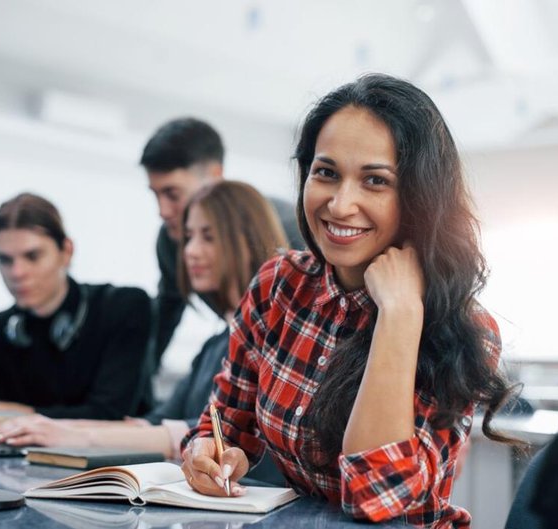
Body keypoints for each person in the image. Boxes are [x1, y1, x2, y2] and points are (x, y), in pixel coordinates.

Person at [179, 74, 514, 527]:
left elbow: (373, 497)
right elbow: (224, 421)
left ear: (420, 197)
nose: (339, 204)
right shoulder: (279, 283)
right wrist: (206, 450)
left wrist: (399, 313)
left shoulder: (462, 327)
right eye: (326, 172)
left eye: (375, 180)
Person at [0, 181, 288, 464]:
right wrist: (45, 427)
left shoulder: (275, 337)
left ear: (246, 240)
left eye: (208, 237)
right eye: (189, 237)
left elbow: (211, 435)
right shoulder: (214, 345)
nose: (189, 251)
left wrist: (71, 434)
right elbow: (153, 424)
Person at [140, 117, 303, 365]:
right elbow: (165, 317)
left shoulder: (293, 228)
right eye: (156, 194)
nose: (162, 211)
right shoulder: (169, 241)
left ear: (215, 176)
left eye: (172, 194)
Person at [0, 193, 153, 420]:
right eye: (5, 260)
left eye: (32, 256)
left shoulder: (121, 308)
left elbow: (108, 415)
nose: (17, 273)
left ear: (66, 251)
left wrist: (15, 415)